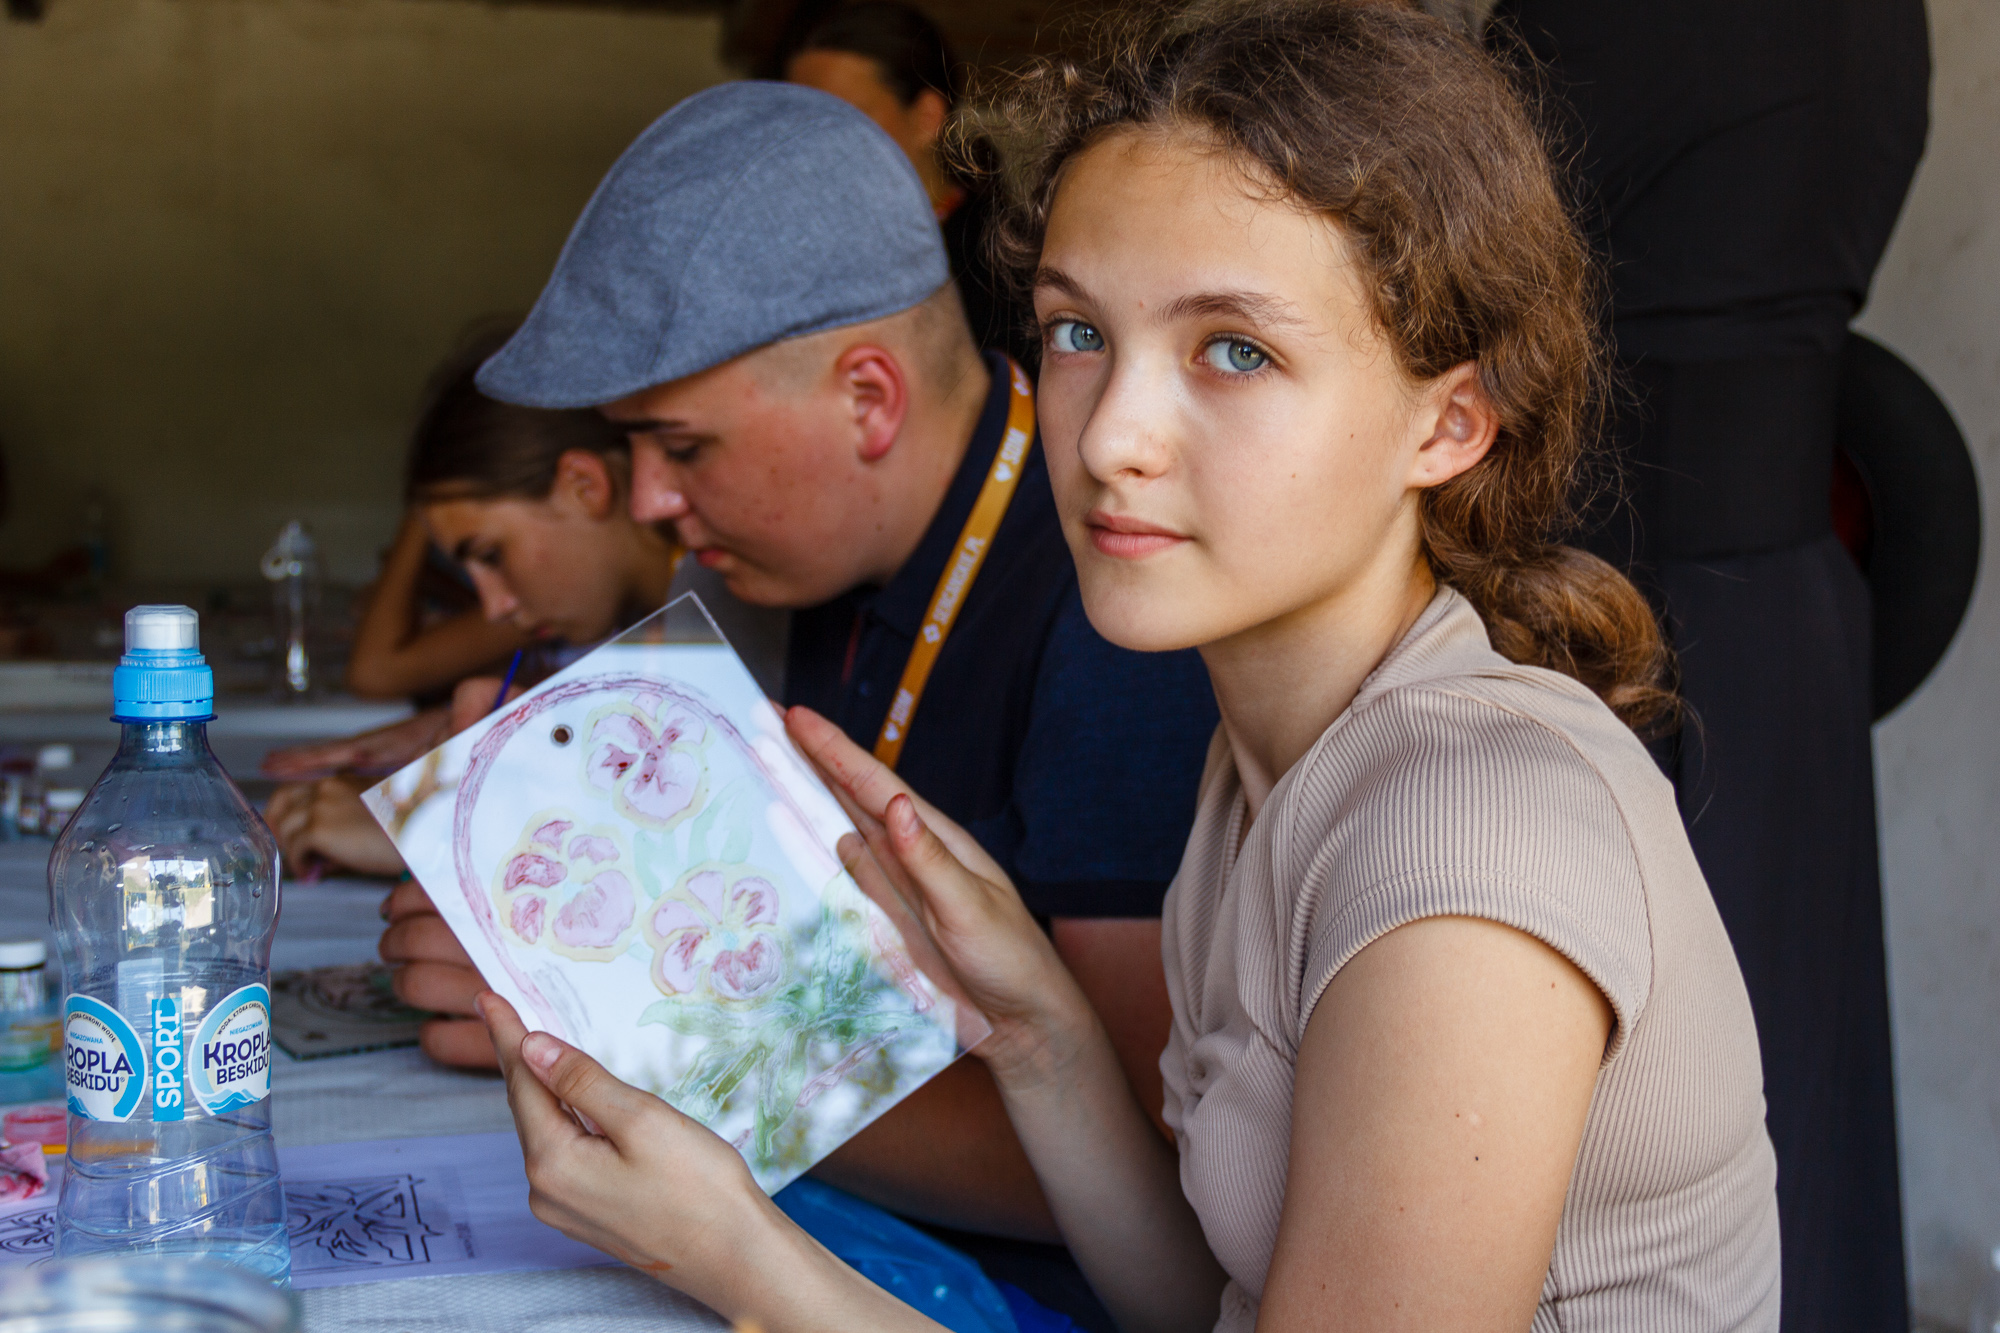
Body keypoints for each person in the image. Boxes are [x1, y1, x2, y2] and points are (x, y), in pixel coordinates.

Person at [470, 4, 1782, 1329]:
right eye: (1078, 333)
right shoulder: (1260, 771)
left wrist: (742, 1253)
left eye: (1235, 351)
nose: (1109, 440)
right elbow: (1203, 1304)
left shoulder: (1466, 839)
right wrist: (1040, 1033)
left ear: (1449, 423)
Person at [376, 79, 1218, 1325]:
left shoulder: (1115, 617)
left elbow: (1137, 1176)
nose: (651, 503)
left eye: (683, 448)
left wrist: (633, 1038)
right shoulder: (809, 563)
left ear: (868, 398)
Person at [1486, 4, 1929, 1326]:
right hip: (1781, 607)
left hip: (1615, 599)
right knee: (1793, 1053)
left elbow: (1436, 239)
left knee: (1623, 1106)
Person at [264, 327, 683, 879]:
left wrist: (442, 834)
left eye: (491, 554)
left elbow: (686, 854)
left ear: (585, 485)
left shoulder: (724, 608)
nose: (494, 608)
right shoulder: (641, 611)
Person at [785, 2, 1029, 364]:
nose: (812, 145)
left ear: (927, 116)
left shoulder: (1003, 271)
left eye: (842, 118)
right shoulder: (793, 250)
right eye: (798, 123)